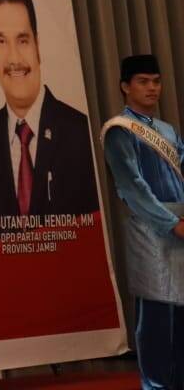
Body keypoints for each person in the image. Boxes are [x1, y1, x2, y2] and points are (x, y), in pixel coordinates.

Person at [0, 0, 99, 222]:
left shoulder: (81, 133)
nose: (14, 58)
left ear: (37, 44)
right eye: (1, 41)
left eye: (22, 40)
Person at [101, 54, 184, 390]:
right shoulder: (119, 130)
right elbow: (132, 188)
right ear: (125, 86)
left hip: (181, 223)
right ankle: (155, 385)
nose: (152, 88)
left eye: (157, 81)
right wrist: (172, 223)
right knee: (156, 312)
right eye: (143, 81)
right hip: (150, 227)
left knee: (181, 312)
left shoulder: (168, 130)